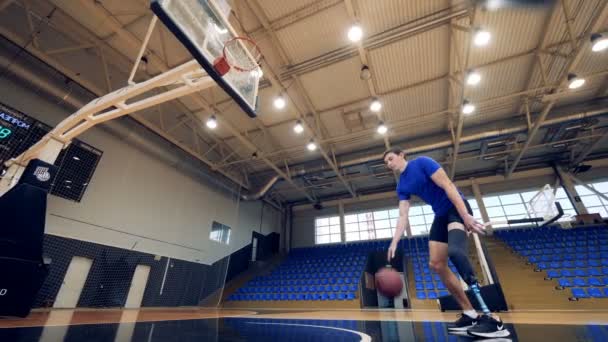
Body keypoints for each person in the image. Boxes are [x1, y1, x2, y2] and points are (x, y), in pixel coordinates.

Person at [383, 147, 510, 338]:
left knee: (456, 252)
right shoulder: (402, 185)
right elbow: (403, 215)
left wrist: (465, 215)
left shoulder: (423, 162)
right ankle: (470, 314)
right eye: (386, 163)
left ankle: (493, 319)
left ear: (402, 155)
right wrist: (394, 242)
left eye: (391, 159)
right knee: (436, 264)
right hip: (440, 215)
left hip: (456, 208)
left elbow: (448, 186)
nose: (389, 164)